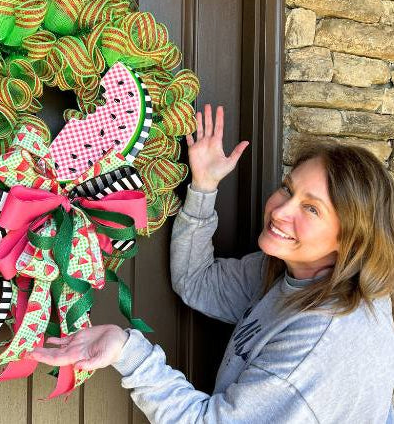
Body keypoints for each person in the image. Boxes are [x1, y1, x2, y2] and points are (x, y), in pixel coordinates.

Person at [28, 104, 394, 423]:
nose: (280, 210)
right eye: (287, 188)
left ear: (352, 238)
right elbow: (196, 281)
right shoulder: (292, 273)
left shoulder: (321, 341)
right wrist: (203, 188)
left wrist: (128, 352)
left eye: (311, 208)